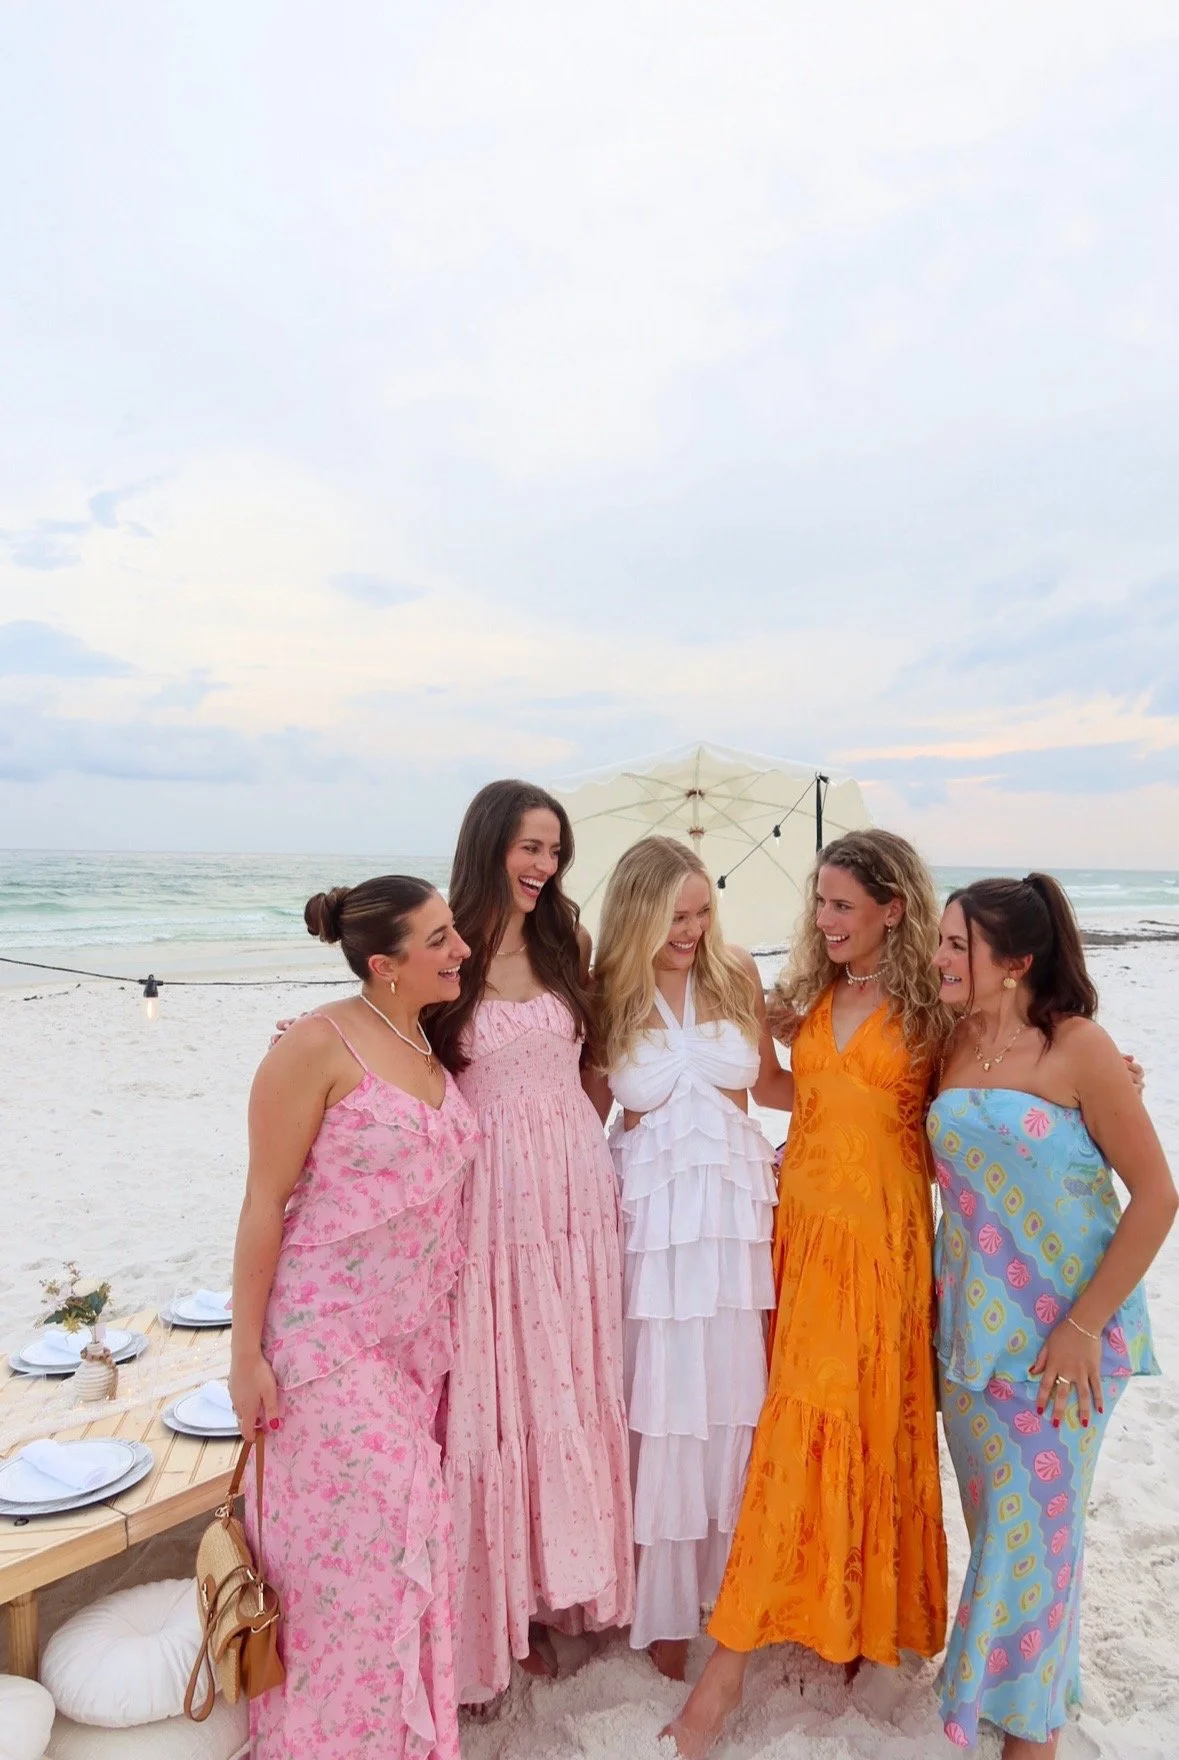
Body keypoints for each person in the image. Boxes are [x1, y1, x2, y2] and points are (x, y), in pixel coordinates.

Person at [666, 829, 950, 1756]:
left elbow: (994, 1077)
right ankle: (817, 1616)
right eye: (818, 903)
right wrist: (755, 1022)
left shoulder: (936, 1006)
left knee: (844, 1416)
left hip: (882, 1241)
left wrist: (1113, 1077)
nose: (823, 920)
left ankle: (730, 1667)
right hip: (800, 1231)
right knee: (798, 1413)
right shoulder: (821, 994)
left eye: (841, 906)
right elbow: (789, 1092)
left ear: (891, 910)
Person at [228, 876, 478, 1760]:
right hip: (321, 1345)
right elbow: (264, 1205)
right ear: (385, 964)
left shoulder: (419, 1037)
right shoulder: (315, 1045)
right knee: (359, 1566)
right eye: (441, 939)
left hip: (411, 1348)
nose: (461, 950)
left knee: (396, 1554)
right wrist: (244, 1355)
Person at [930, 875, 1176, 1758]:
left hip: (1065, 1338)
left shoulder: (1080, 1047)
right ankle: (1040, 1679)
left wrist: (1080, 1328)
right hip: (970, 1335)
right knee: (1001, 1526)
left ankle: (1029, 1732)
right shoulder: (951, 1044)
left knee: (1037, 1528)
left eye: (959, 945)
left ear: (1017, 962)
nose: (940, 958)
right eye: (941, 941)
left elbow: (1156, 1195)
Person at [428, 780, 634, 1705]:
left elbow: (592, 1067)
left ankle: (567, 1592)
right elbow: (394, 1049)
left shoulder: (567, 942)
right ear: (489, 846)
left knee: (572, 1376)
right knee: (501, 1386)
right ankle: (500, 1605)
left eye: (555, 852)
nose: (544, 868)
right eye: (530, 848)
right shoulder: (446, 948)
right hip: (486, 1199)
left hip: (572, 1192)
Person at [593, 837, 790, 1683]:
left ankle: (733, 1586)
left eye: (702, 910)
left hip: (734, 1213)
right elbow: (574, 1107)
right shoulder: (605, 991)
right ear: (636, 911)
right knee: (662, 1399)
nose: (691, 928)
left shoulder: (734, 970)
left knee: (732, 1396)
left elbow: (778, 1084)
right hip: (651, 1218)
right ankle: (664, 1606)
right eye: (674, 915)